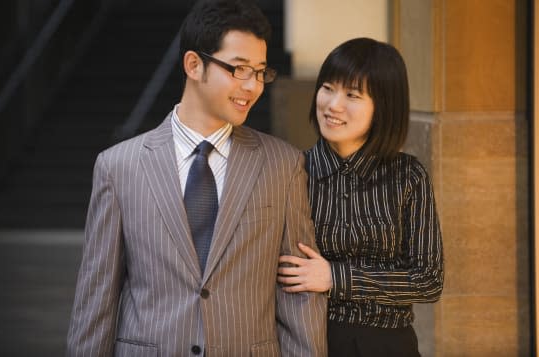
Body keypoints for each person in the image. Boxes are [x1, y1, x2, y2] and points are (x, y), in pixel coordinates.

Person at [66, 1, 327, 356]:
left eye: (260, 72)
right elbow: (96, 301)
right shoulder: (118, 166)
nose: (252, 86)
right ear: (193, 64)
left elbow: (298, 296)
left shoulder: (283, 164)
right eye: (238, 69)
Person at [277, 37, 444, 357]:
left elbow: (428, 280)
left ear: (384, 106)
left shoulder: (408, 176)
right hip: (312, 340)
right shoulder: (292, 173)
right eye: (327, 88)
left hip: (390, 344)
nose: (333, 104)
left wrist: (335, 277)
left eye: (352, 94)